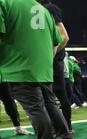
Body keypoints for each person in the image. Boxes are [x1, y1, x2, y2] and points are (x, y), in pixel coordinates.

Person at [0, 0, 73, 139]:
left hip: (18, 66)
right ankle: (65, 136)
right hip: (43, 66)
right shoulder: (42, 9)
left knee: (35, 107)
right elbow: (57, 40)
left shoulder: (5, 3)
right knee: (49, 102)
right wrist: (47, 60)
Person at [38, 0, 72, 131]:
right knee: (49, 95)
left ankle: (66, 126)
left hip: (53, 59)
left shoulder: (49, 8)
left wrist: (49, 55)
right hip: (52, 59)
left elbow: (64, 37)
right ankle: (59, 126)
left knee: (57, 93)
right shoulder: (43, 9)